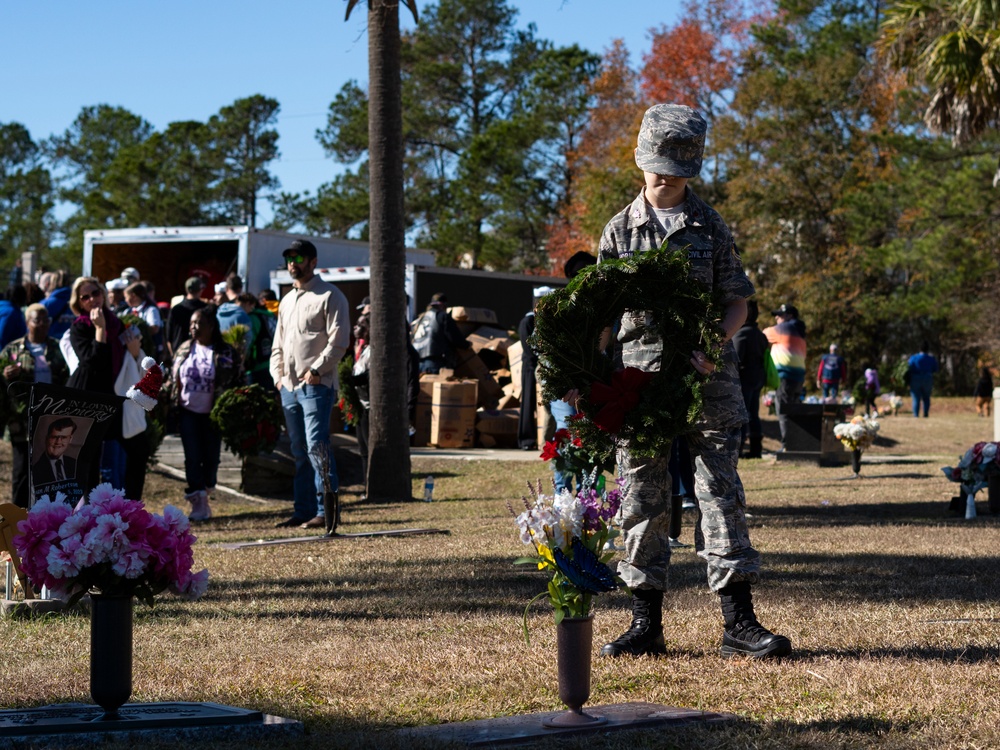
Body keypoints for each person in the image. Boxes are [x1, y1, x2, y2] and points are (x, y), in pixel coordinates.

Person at [577, 103, 790, 660]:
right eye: (656, 167)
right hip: (639, 385)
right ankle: (645, 623)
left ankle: (738, 624)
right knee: (642, 501)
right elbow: (601, 313)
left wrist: (715, 343)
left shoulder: (710, 225)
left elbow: (738, 302)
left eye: (676, 168)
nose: (664, 177)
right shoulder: (619, 230)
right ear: (640, 162)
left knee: (720, 496)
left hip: (706, 385)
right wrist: (592, 379)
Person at [269, 240, 350, 529]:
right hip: (289, 387)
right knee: (299, 450)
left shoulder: (331, 295)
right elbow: (278, 343)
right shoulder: (287, 300)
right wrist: (277, 378)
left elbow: (339, 341)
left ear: (313, 262)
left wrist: (317, 369)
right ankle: (303, 510)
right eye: (289, 257)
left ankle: (326, 511)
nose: (293, 262)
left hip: (316, 385)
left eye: (299, 257)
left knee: (318, 447)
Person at [66, 276, 149, 501]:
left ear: (103, 294)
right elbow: (93, 363)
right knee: (90, 461)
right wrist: (99, 330)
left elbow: (129, 362)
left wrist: (133, 351)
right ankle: (89, 514)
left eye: (96, 293)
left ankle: (132, 507)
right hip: (89, 401)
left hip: (115, 399)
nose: (92, 299)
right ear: (79, 303)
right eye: (86, 296)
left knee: (139, 449)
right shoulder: (79, 328)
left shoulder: (117, 323)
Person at [171, 307, 240, 521]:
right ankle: (198, 503)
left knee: (211, 460)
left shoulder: (226, 352)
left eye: (198, 323)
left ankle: (207, 490)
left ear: (211, 326)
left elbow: (238, 380)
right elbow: (173, 378)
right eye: (191, 323)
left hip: (213, 414)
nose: (193, 327)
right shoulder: (184, 348)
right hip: (187, 411)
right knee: (192, 458)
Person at [0, 305, 70, 507]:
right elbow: (2, 388)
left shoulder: (58, 348)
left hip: (51, 422)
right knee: (21, 472)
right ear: (27, 323)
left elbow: (68, 379)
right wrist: (6, 377)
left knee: (48, 473)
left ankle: (44, 517)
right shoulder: (13, 350)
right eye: (37, 320)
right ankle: (18, 519)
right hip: (21, 423)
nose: (43, 324)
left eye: (46, 320)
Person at [762, 303, 806, 452]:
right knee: (794, 410)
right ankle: (797, 443)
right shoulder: (800, 331)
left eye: (780, 315)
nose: (776, 317)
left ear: (789, 316)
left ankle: (787, 445)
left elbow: (763, 334)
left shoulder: (784, 328)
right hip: (799, 377)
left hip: (784, 377)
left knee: (783, 410)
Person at [732, 299, 769, 459]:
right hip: (758, 377)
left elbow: (736, 358)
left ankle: (738, 448)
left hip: (744, 378)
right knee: (753, 413)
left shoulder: (740, 334)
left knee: (742, 413)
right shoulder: (760, 335)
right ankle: (756, 448)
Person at [410, 293, 471, 374]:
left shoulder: (420, 318)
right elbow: (454, 337)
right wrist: (466, 345)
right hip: (433, 361)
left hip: (416, 362)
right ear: (443, 305)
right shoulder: (442, 316)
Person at [238, 292, 276, 389]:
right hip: (270, 362)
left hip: (256, 366)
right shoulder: (269, 315)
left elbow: (248, 343)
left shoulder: (252, 318)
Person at [166, 277, 208, 359]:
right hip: (200, 355)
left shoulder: (176, 309)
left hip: (179, 354)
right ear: (200, 290)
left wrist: (173, 355)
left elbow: (168, 337)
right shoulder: (205, 309)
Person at [31, 417, 78, 488]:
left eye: (64, 437)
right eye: (54, 437)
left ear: (70, 439)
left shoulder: (75, 465)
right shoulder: (34, 470)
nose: (58, 442)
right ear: (47, 438)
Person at [124, 281, 164, 360]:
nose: (125, 300)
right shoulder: (128, 311)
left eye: (126, 297)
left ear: (133, 296)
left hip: (148, 351)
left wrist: (138, 331)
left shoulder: (151, 310)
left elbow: (154, 328)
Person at [40, 270, 75, 339]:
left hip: (52, 345)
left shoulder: (46, 304)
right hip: (71, 344)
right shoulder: (77, 302)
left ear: (52, 282)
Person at [907, 342, 939, 418]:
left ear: (919, 349)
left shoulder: (914, 358)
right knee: (926, 397)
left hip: (915, 378)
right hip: (927, 378)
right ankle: (925, 413)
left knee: (916, 397)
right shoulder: (931, 358)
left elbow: (909, 367)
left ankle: (916, 415)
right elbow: (936, 369)